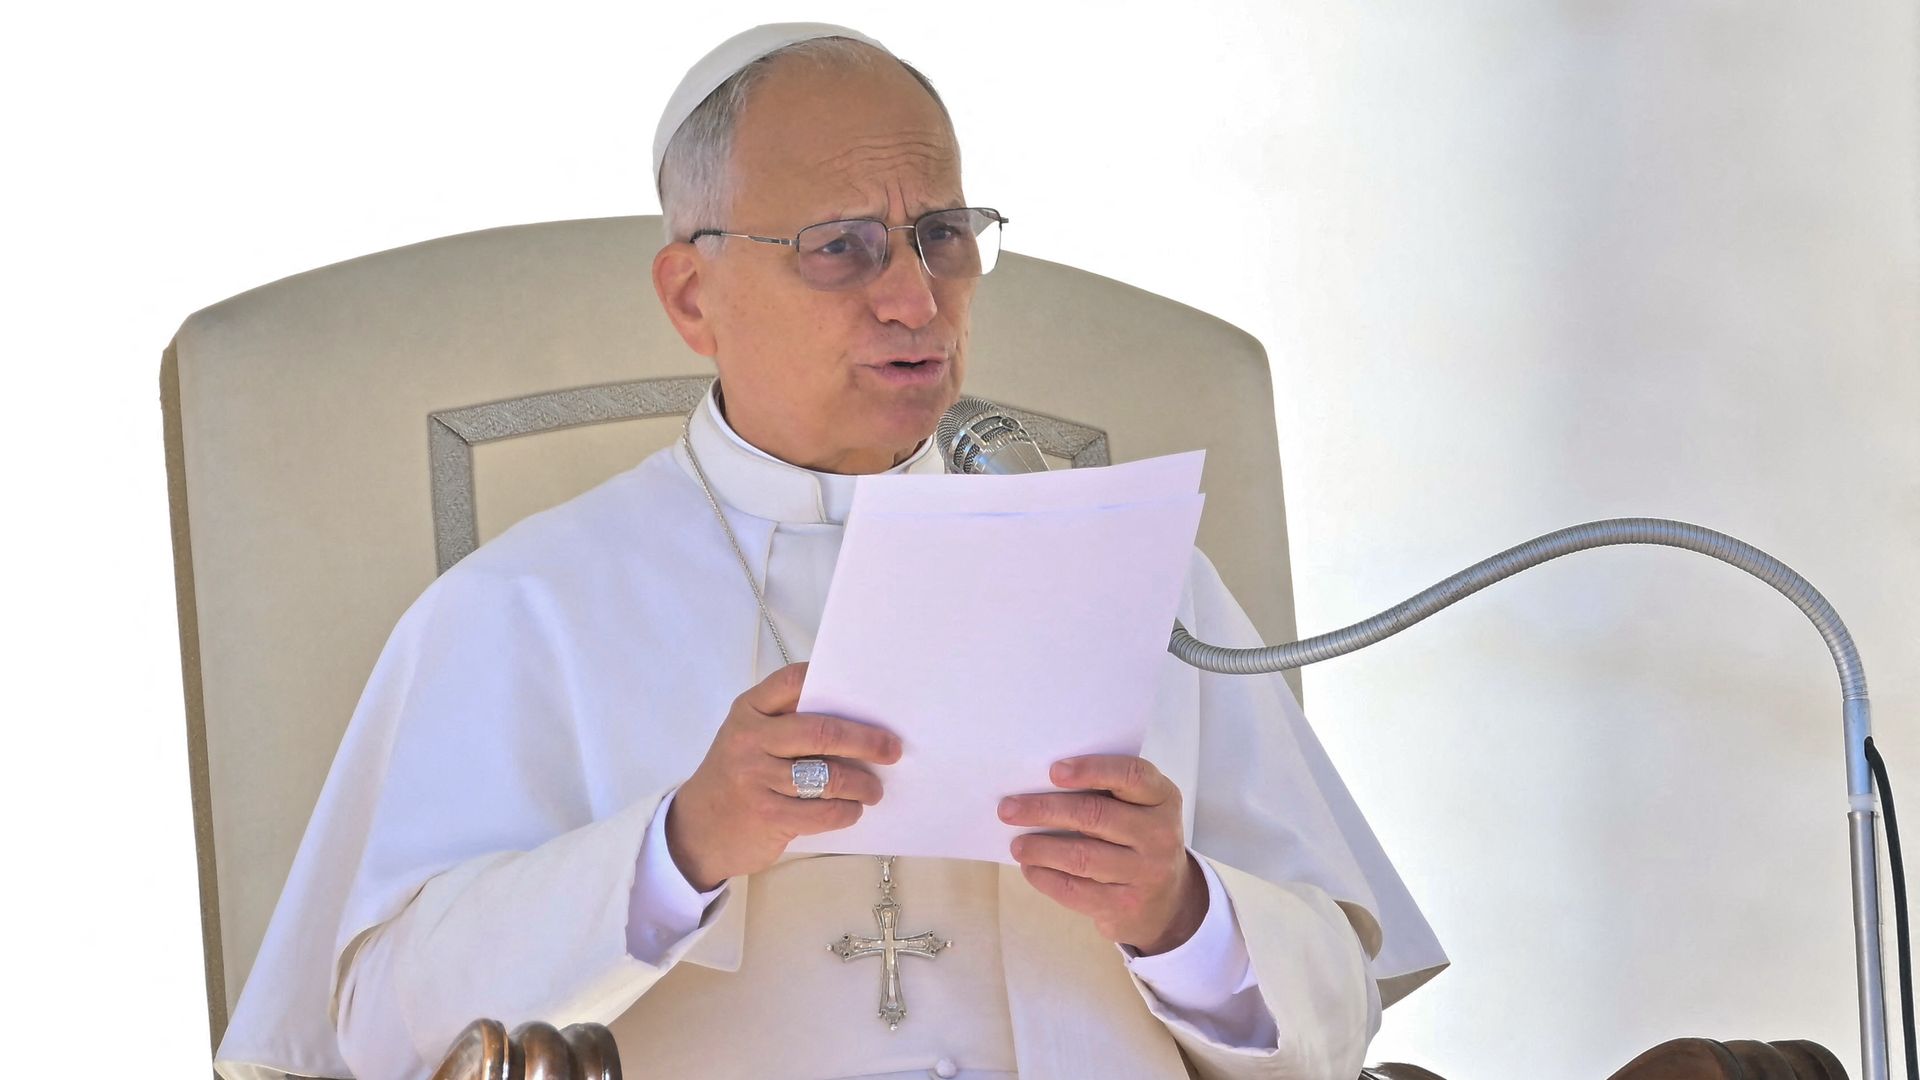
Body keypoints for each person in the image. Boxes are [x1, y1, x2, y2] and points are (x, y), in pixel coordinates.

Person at [213, 23, 1446, 1080]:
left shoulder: (1143, 577)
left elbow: (1339, 1018)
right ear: (691, 297)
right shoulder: (521, 607)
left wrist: (1179, 913)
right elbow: (381, 1034)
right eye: (841, 245)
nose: (916, 298)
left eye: (943, 234)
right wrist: (680, 846)